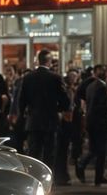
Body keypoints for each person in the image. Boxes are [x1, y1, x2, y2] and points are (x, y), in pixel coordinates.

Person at [16, 49, 70, 181]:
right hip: (50, 120)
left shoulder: (28, 78)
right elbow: (65, 100)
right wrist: (59, 108)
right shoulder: (55, 78)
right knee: (49, 152)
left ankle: (33, 177)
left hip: (33, 120)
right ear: (49, 61)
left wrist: (23, 114)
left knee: (34, 151)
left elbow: (21, 100)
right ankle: (47, 179)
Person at [76, 66, 107, 185]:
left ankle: (92, 172)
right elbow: (101, 106)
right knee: (101, 151)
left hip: (92, 121)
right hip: (100, 123)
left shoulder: (91, 86)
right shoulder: (102, 87)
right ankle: (95, 174)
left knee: (95, 149)